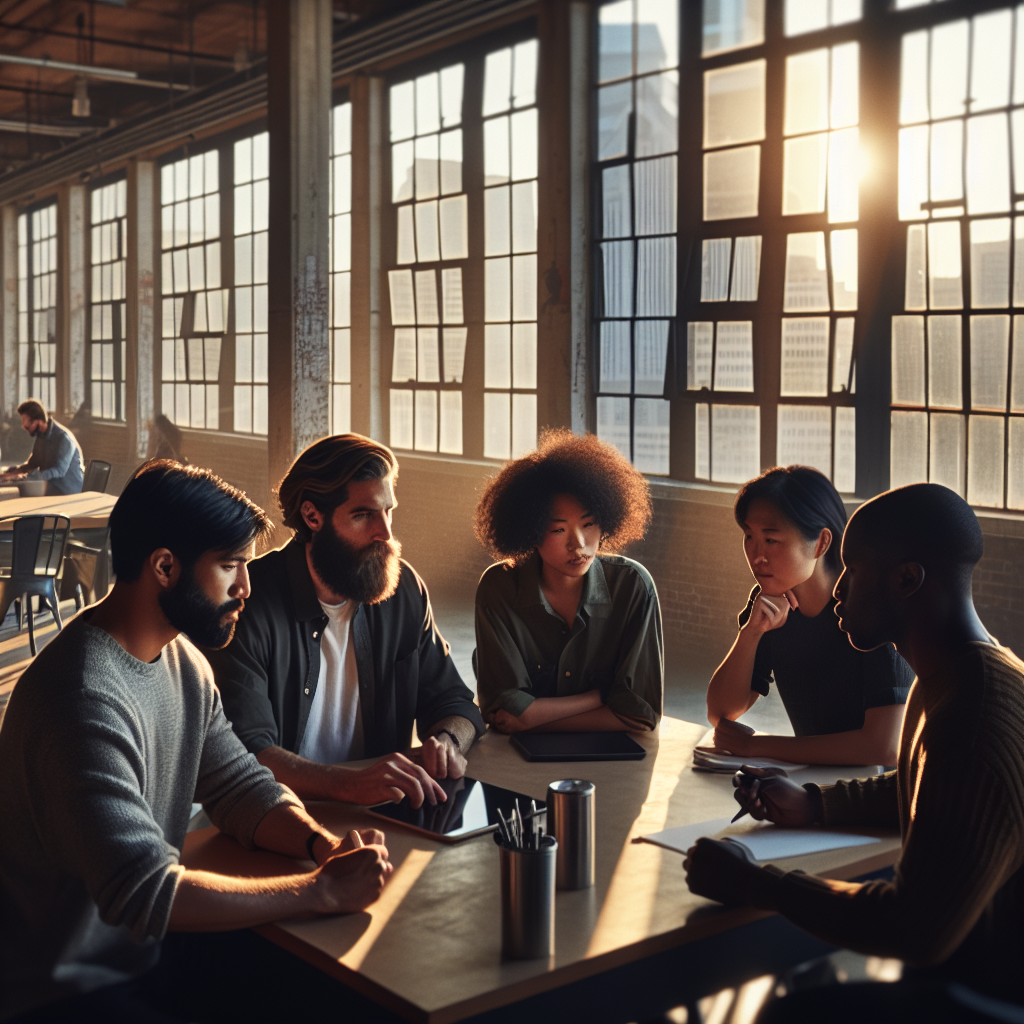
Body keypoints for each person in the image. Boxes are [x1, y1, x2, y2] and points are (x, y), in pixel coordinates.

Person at [0, 460, 393, 1023]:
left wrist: (321, 847)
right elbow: (146, 892)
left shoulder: (184, 660)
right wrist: (319, 891)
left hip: (144, 955)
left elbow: (237, 786)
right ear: (165, 566)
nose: (246, 587)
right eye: (230, 566)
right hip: (65, 990)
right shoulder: (80, 698)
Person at [684, 483, 1024, 1024]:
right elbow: (927, 787)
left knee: (782, 1017)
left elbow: (916, 929)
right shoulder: (961, 673)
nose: (836, 591)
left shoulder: (973, 713)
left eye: (852, 571)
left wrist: (755, 883)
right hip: (962, 975)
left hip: (985, 998)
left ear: (907, 579)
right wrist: (816, 805)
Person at [206, 434, 485, 809]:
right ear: (312, 516)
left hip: (380, 812)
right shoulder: (248, 602)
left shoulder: (404, 590)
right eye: (363, 515)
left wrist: (447, 742)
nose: (385, 533)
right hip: (280, 815)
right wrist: (352, 785)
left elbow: (454, 701)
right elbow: (248, 753)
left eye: (388, 511)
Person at [706, 466, 912, 766]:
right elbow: (721, 713)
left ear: (821, 543)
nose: (756, 555)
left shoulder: (874, 607)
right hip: (816, 786)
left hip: (885, 797)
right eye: (749, 536)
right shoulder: (770, 603)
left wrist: (755, 747)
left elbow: (883, 747)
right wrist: (751, 633)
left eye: (771, 539)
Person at [473, 429, 663, 734]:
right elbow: (501, 706)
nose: (578, 544)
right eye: (558, 530)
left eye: (588, 524)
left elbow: (640, 714)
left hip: (616, 766)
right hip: (513, 762)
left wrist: (533, 718)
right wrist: (598, 697)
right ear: (529, 530)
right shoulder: (500, 588)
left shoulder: (632, 586)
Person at [0, 399, 84, 495]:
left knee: (20, 494)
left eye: (27, 427)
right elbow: (33, 463)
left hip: (65, 490)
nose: (25, 429)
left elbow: (59, 471)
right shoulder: (41, 436)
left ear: (38, 422)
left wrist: (27, 478)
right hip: (48, 485)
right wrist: (13, 473)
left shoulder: (63, 438)